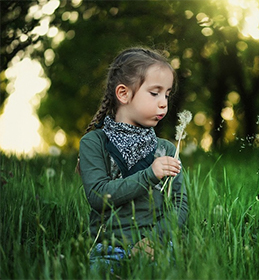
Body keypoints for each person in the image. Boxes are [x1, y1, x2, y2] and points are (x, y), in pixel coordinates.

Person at [76, 47, 188, 270]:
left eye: (167, 94)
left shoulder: (166, 148)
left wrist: (155, 240)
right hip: (109, 247)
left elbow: (180, 204)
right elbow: (99, 196)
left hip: (158, 245)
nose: (164, 102)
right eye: (155, 93)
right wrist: (150, 175)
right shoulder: (94, 143)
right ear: (123, 94)